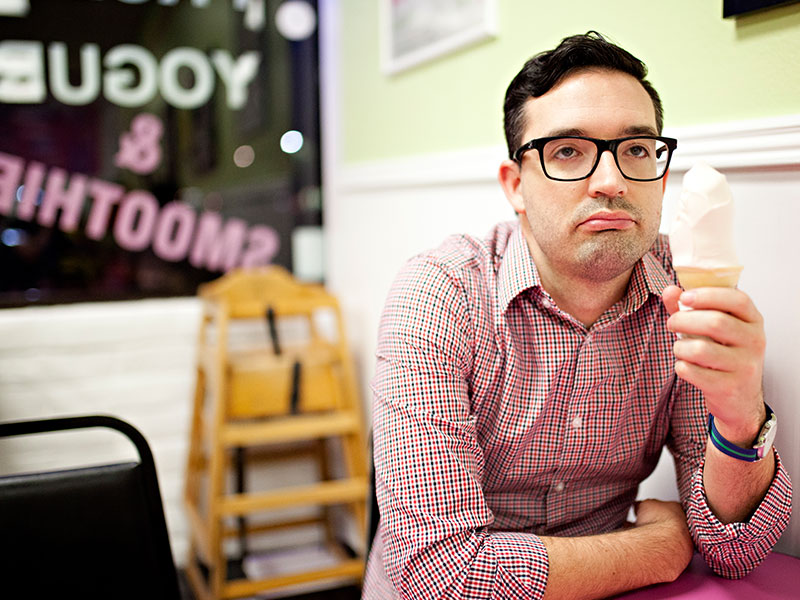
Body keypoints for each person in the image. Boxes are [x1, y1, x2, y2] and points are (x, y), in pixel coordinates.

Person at [361, 32, 793, 599]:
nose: (611, 182)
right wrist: (657, 549)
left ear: (661, 176)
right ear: (516, 186)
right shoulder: (441, 294)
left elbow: (735, 548)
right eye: (567, 152)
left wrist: (740, 421)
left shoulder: (685, 294)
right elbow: (440, 576)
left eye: (637, 150)